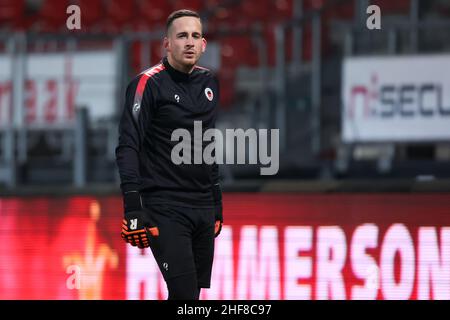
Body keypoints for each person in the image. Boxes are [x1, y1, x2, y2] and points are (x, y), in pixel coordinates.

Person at [115, 9, 223, 300]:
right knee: (185, 294)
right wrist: (133, 207)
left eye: (195, 36)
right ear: (167, 44)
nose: (189, 42)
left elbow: (207, 144)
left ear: (203, 45)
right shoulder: (147, 84)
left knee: (191, 297)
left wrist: (216, 202)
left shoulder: (209, 83)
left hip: (201, 204)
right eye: (182, 36)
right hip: (164, 205)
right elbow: (128, 146)